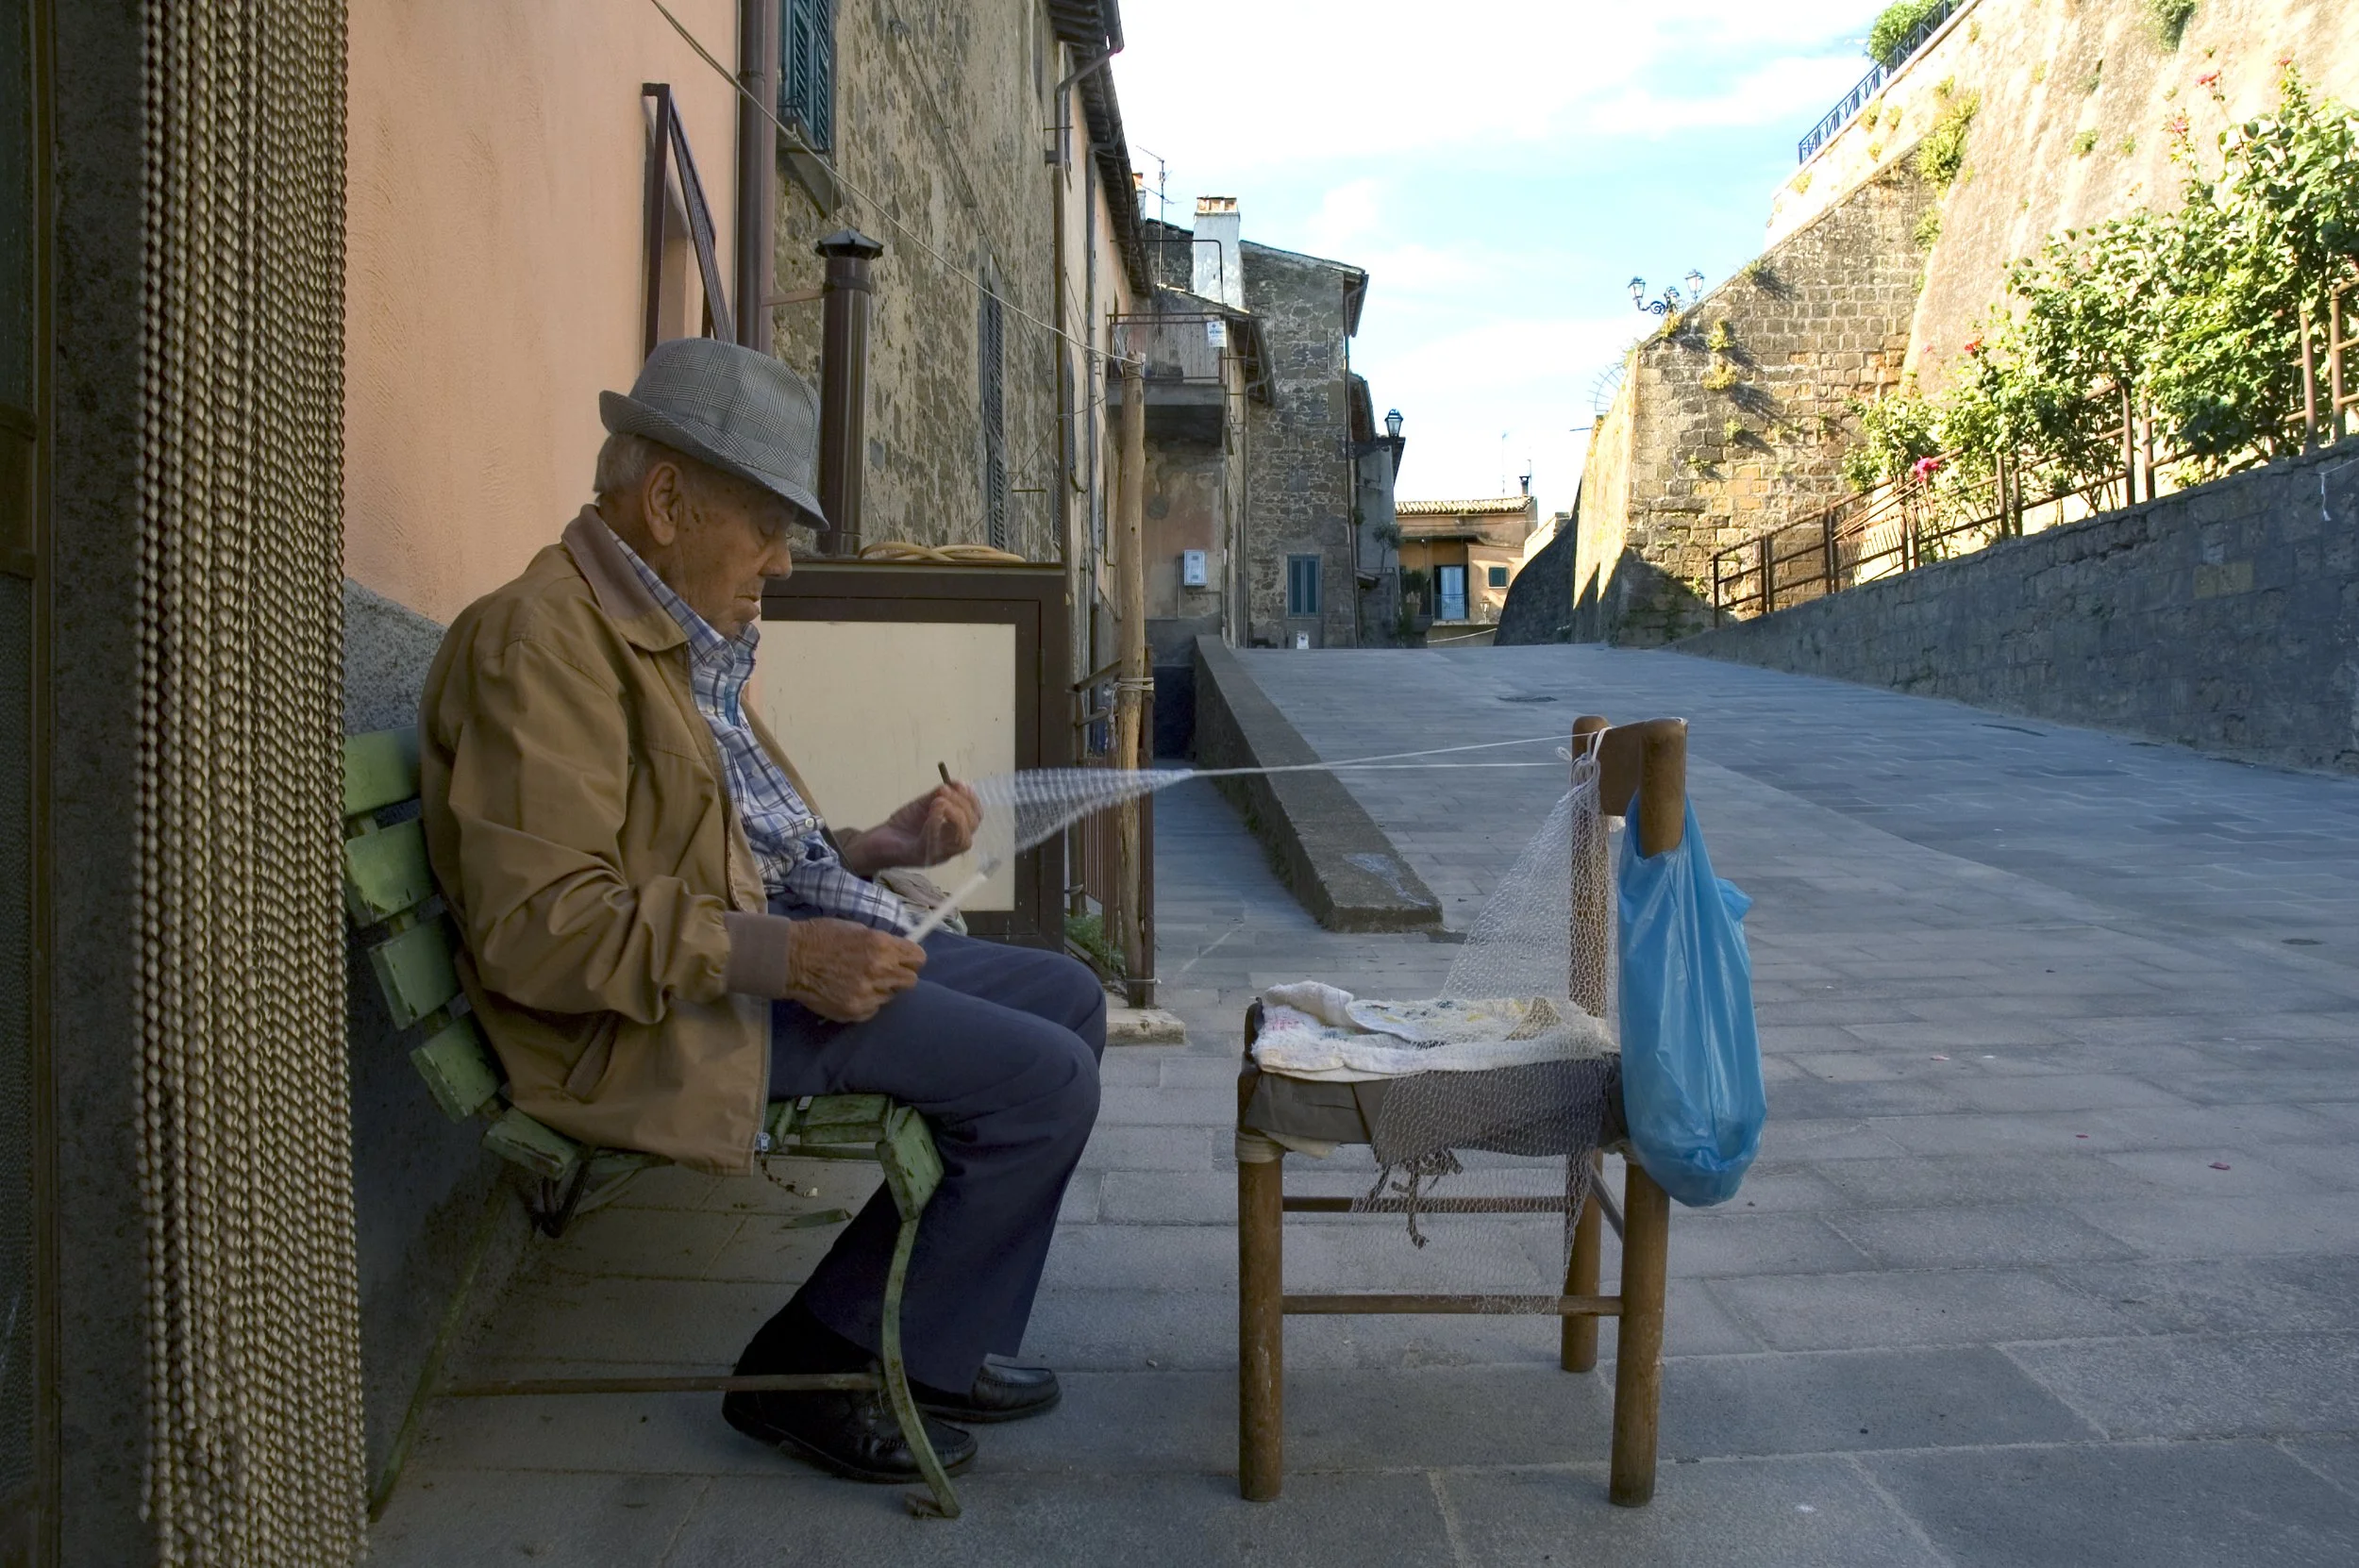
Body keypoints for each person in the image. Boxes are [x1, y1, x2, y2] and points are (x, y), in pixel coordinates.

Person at [419, 336, 1106, 1487]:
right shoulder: (544, 643)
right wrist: (786, 957)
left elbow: (721, 848)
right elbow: (541, 926)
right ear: (668, 500)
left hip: (723, 970)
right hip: (647, 1023)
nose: (781, 566)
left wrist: (872, 849)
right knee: (1044, 1081)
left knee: (1068, 995)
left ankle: (931, 1340)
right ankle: (810, 1367)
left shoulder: (668, 637)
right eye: (768, 532)